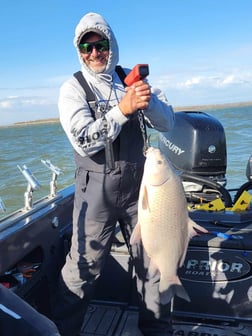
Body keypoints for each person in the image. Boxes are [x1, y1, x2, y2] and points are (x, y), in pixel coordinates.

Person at [53, 12, 175, 336]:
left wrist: (147, 104)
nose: (95, 53)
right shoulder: (72, 89)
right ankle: (61, 331)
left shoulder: (131, 81)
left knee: (154, 266)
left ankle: (157, 330)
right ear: (78, 51)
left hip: (140, 192)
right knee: (81, 270)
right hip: (96, 194)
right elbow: (83, 140)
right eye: (87, 47)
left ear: (112, 45)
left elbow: (169, 123)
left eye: (101, 44)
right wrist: (122, 110)